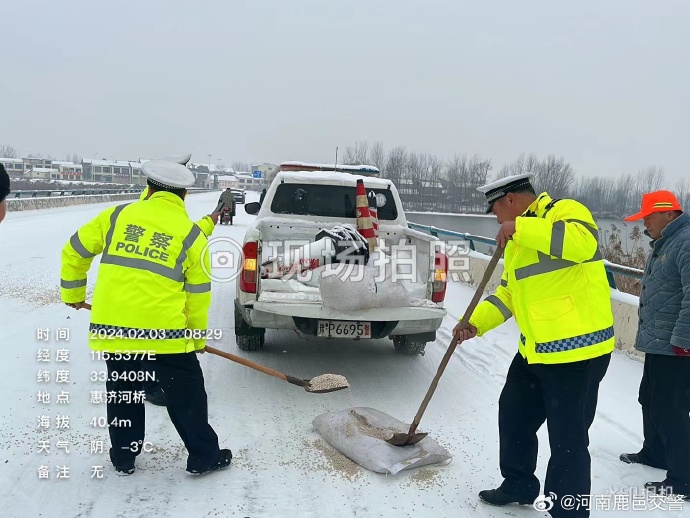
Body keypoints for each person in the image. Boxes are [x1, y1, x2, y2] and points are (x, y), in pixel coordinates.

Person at [454, 172, 614, 517]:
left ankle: (568, 511)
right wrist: (475, 323)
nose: (496, 219)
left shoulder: (563, 211)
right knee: (514, 415)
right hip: (536, 349)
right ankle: (519, 484)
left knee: (567, 439)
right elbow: (509, 294)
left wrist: (521, 229)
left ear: (510, 200)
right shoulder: (517, 243)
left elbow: (581, 244)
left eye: (496, 210)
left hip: (578, 352)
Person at [60, 160, 231, 476]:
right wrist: (195, 338)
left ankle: (123, 456)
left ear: (148, 189)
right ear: (184, 195)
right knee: (187, 393)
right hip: (164, 333)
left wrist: (72, 293)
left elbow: (74, 250)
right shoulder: (189, 234)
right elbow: (198, 294)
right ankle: (204, 456)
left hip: (115, 328)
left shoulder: (117, 216)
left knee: (124, 389)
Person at [619, 190, 690, 499]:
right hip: (659, 342)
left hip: (676, 346)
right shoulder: (667, 242)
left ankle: (682, 478)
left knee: (671, 409)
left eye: (648, 217)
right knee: (649, 398)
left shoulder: (685, 242)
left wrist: (683, 342)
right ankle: (655, 453)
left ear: (669, 214)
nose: (645, 223)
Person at [136, 154, 218, 406]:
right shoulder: (152, 199)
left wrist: (206, 224)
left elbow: (180, 232)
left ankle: (154, 383)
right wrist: (196, 337)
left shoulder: (157, 196)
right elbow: (177, 233)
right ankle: (151, 387)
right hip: (151, 278)